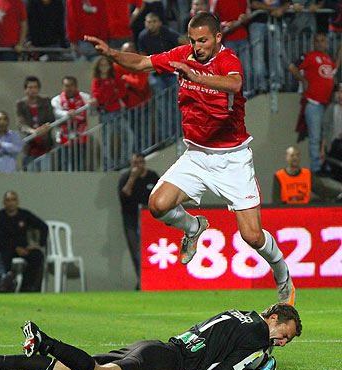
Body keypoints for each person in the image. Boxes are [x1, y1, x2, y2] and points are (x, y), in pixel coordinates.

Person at [85, 11, 296, 306]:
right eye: (194, 41)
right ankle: (193, 227)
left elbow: (235, 84)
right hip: (196, 155)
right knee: (158, 205)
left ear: (218, 38)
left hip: (232, 158)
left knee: (252, 236)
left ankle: (282, 274)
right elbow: (142, 63)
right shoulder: (183, 55)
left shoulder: (228, 60)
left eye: (203, 41)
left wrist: (196, 76)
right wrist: (111, 54)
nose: (197, 47)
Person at [0, 303, 302, 370]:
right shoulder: (259, 335)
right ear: (274, 319)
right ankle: (47, 342)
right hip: (167, 362)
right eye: (285, 334)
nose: (282, 342)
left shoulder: (241, 314)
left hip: (155, 346)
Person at [288, 33, 340, 175]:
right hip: (314, 103)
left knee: (326, 137)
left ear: (326, 43)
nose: (319, 43)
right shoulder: (309, 56)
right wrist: (303, 80)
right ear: (313, 43)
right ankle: (316, 168)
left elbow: (334, 69)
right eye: (317, 41)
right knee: (315, 138)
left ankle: (326, 164)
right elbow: (292, 67)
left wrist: (340, 52)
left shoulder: (327, 58)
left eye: (322, 41)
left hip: (326, 104)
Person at [0, 191, 48, 292]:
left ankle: (26, 287)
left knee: (37, 255)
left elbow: (43, 226)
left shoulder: (24, 215)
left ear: (17, 202)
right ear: (4, 202)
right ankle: (5, 285)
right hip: (6, 248)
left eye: (13, 200)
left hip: (23, 248)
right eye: (8, 200)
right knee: (2, 256)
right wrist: (15, 248)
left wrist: (39, 244)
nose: (11, 203)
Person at [118, 154, 159, 287]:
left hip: (150, 221)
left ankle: (151, 280)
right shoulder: (125, 177)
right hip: (132, 220)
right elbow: (124, 196)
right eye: (135, 163)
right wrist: (132, 177)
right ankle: (142, 281)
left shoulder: (152, 176)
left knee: (151, 251)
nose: (137, 166)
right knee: (136, 252)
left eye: (140, 162)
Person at [114, 42, 151, 152]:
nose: (128, 54)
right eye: (125, 52)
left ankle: (144, 153)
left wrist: (125, 78)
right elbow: (117, 85)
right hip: (126, 105)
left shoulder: (141, 62)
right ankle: (135, 154)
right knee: (130, 134)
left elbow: (139, 84)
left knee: (143, 132)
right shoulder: (116, 66)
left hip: (142, 104)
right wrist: (130, 79)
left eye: (131, 51)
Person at [91, 56, 127, 170]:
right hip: (105, 113)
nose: (104, 67)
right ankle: (108, 164)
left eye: (106, 65)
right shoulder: (97, 81)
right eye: (101, 65)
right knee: (106, 140)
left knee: (127, 135)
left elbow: (122, 91)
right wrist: (112, 93)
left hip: (117, 112)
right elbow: (99, 97)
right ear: (98, 67)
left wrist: (111, 95)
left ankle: (126, 160)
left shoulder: (115, 78)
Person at [51, 76, 92, 171]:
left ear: (76, 86)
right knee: (63, 167)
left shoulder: (85, 97)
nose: (69, 88)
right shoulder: (56, 100)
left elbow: (93, 111)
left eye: (71, 85)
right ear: (63, 87)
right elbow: (56, 112)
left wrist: (93, 104)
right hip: (63, 139)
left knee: (79, 167)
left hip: (81, 139)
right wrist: (67, 114)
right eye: (66, 86)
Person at [249, 0, 291, 93]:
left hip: (275, 23)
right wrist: (275, 9)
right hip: (258, 23)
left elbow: (288, 3)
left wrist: (281, 9)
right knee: (258, 56)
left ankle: (277, 84)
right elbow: (254, 4)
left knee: (276, 54)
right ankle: (261, 85)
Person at [16, 76, 55, 171]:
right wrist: (33, 131)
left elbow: (51, 119)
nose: (33, 90)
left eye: (35, 87)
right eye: (30, 87)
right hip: (29, 147)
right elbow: (21, 124)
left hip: (45, 145)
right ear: (25, 90)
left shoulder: (46, 101)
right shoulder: (20, 104)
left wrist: (44, 129)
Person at [322, 83, 342, 181]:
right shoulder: (332, 108)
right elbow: (325, 130)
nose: (339, 94)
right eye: (339, 91)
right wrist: (322, 149)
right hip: (334, 146)